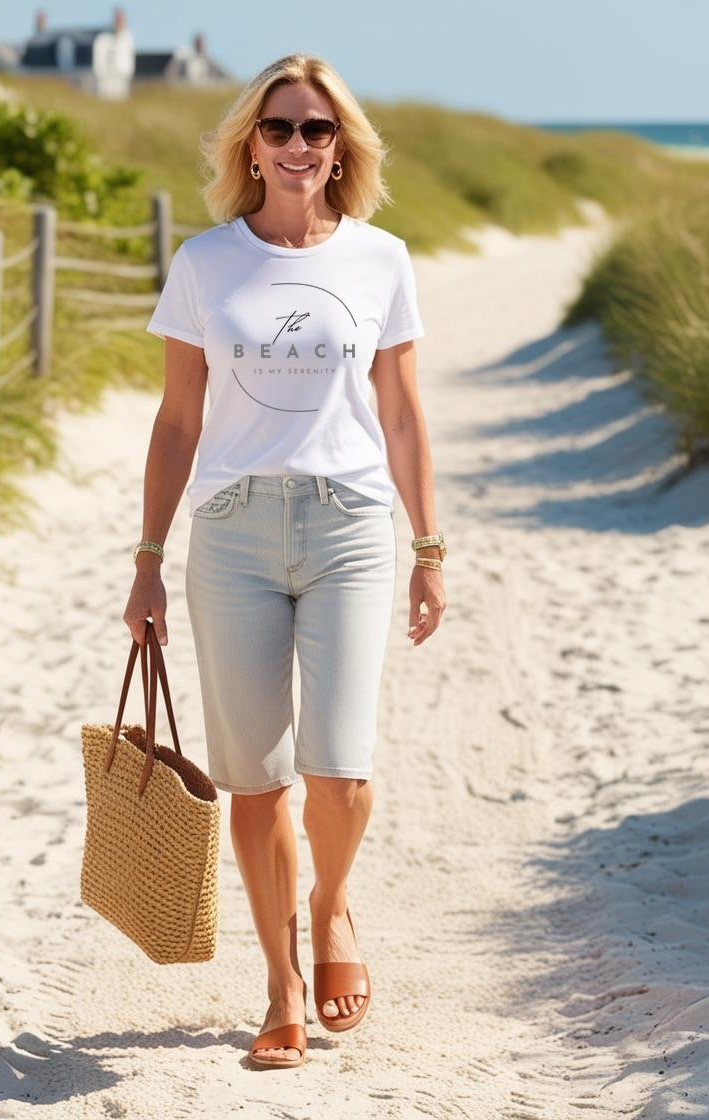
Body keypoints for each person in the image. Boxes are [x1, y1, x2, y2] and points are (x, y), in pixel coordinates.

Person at [123, 51, 446, 1070]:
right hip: (232, 533)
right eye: (279, 129)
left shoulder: (380, 260)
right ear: (250, 148)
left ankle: (332, 903)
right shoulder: (206, 263)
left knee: (340, 771)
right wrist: (145, 559)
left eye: (316, 129)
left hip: (350, 523)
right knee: (256, 782)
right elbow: (177, 420)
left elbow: (399, 413)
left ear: (340, 144)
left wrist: (428, 545)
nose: (299, 145)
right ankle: (282, 986)